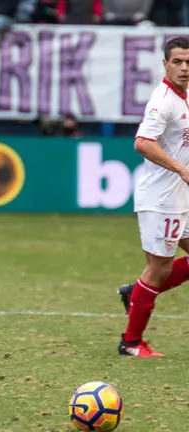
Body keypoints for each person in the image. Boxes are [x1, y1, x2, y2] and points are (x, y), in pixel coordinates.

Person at [115, 37, 189, 358]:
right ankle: (131, 342)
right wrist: (180, 169)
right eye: (177, 62)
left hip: (182, 198)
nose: (184, 68)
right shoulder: (163, 101)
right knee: (158, 269)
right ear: (165, 64)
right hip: (163, 200)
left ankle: (136, 292)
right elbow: (143, 142)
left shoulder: (185, 96)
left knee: (155, 274)